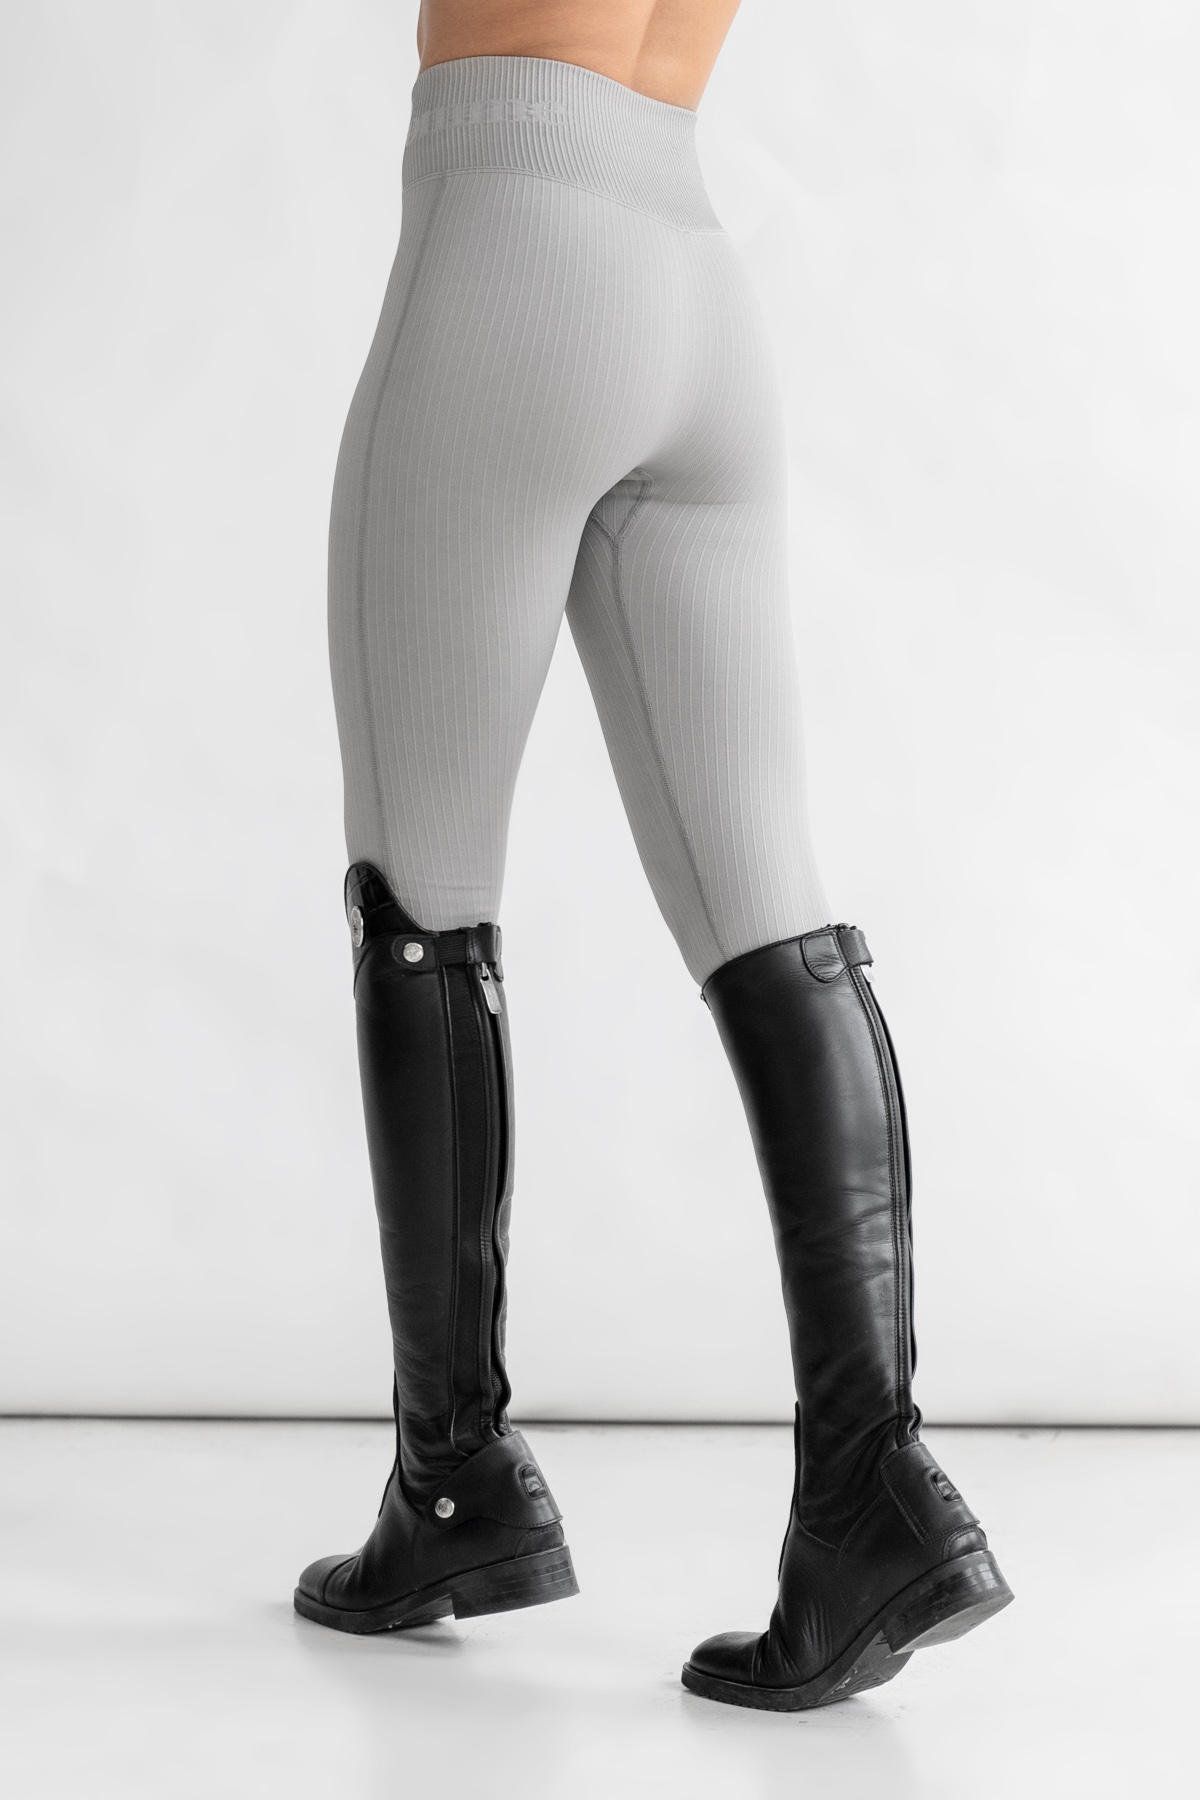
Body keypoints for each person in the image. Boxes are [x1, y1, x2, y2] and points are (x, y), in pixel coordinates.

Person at [292, 0, 1013, 1710]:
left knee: (421, 896)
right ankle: (873, 1496)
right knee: (770, 905)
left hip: (510, 252)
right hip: (691, 285)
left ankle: (454, 1482)